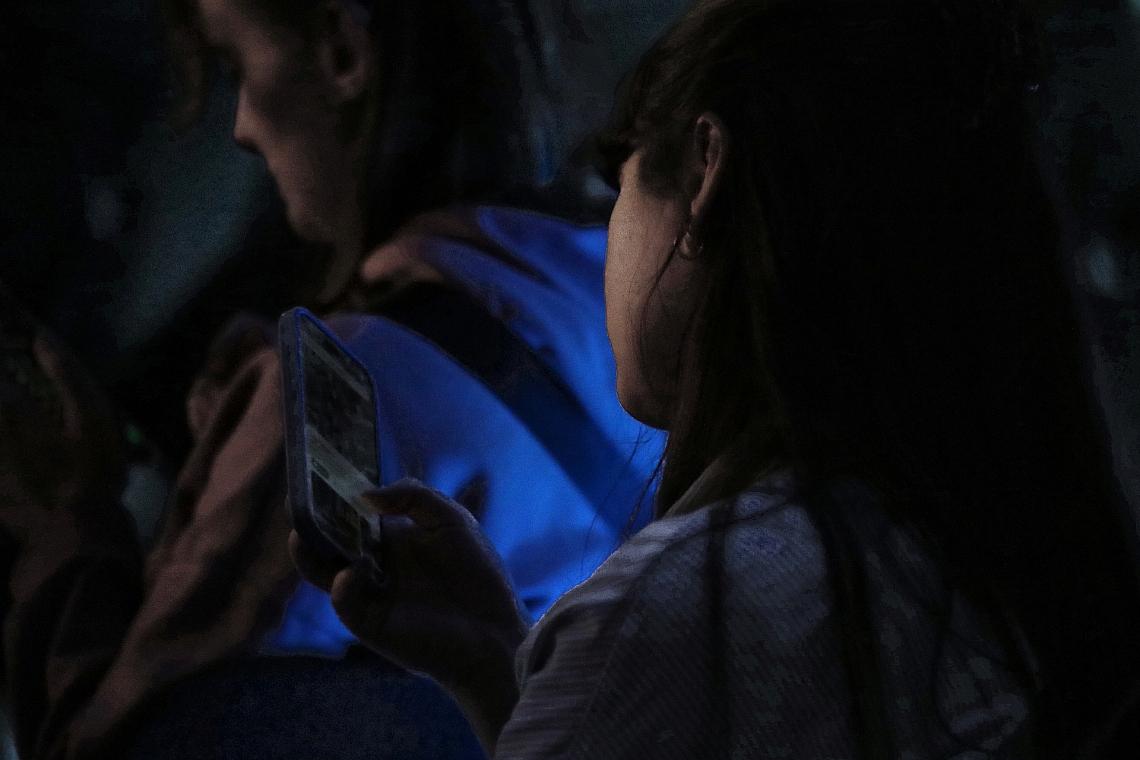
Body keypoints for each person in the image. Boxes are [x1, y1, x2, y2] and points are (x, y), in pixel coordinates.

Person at [291, 0, 1140, 757]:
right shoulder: (979, 562)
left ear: (703, 176)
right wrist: (493, 666)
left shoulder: (674, 617)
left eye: (619, 183)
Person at [1, 0, 665, 757]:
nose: (242, 126)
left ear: (342, 54)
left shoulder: (334, 395)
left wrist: (67, 517)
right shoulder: (622, 310)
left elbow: (138, 744)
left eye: (238, 67)